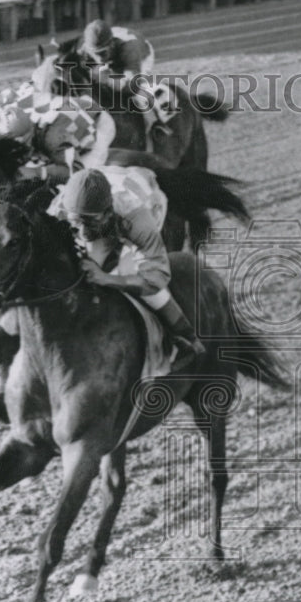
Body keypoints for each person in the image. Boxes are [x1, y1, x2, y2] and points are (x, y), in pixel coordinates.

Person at [54, 168, 206, 371]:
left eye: (90, 221)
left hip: (146, 201)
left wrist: (107, 279)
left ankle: (187, 339)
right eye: (77, 222)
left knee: (124, 269)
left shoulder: (134, 217)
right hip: (107, 189)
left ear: (108, 212)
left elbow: (157, 277)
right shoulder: (59, 207)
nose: (83, 231)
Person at [77, 19, 177, 150]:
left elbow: (132, 86)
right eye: (96, 54)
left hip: (141, 56)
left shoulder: (130, 49)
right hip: (114, 54)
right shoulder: (85, 48)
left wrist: (107, 79)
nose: (100, 58)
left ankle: (156, 124)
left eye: (103, 53)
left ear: (112, 44)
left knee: (139, 93)